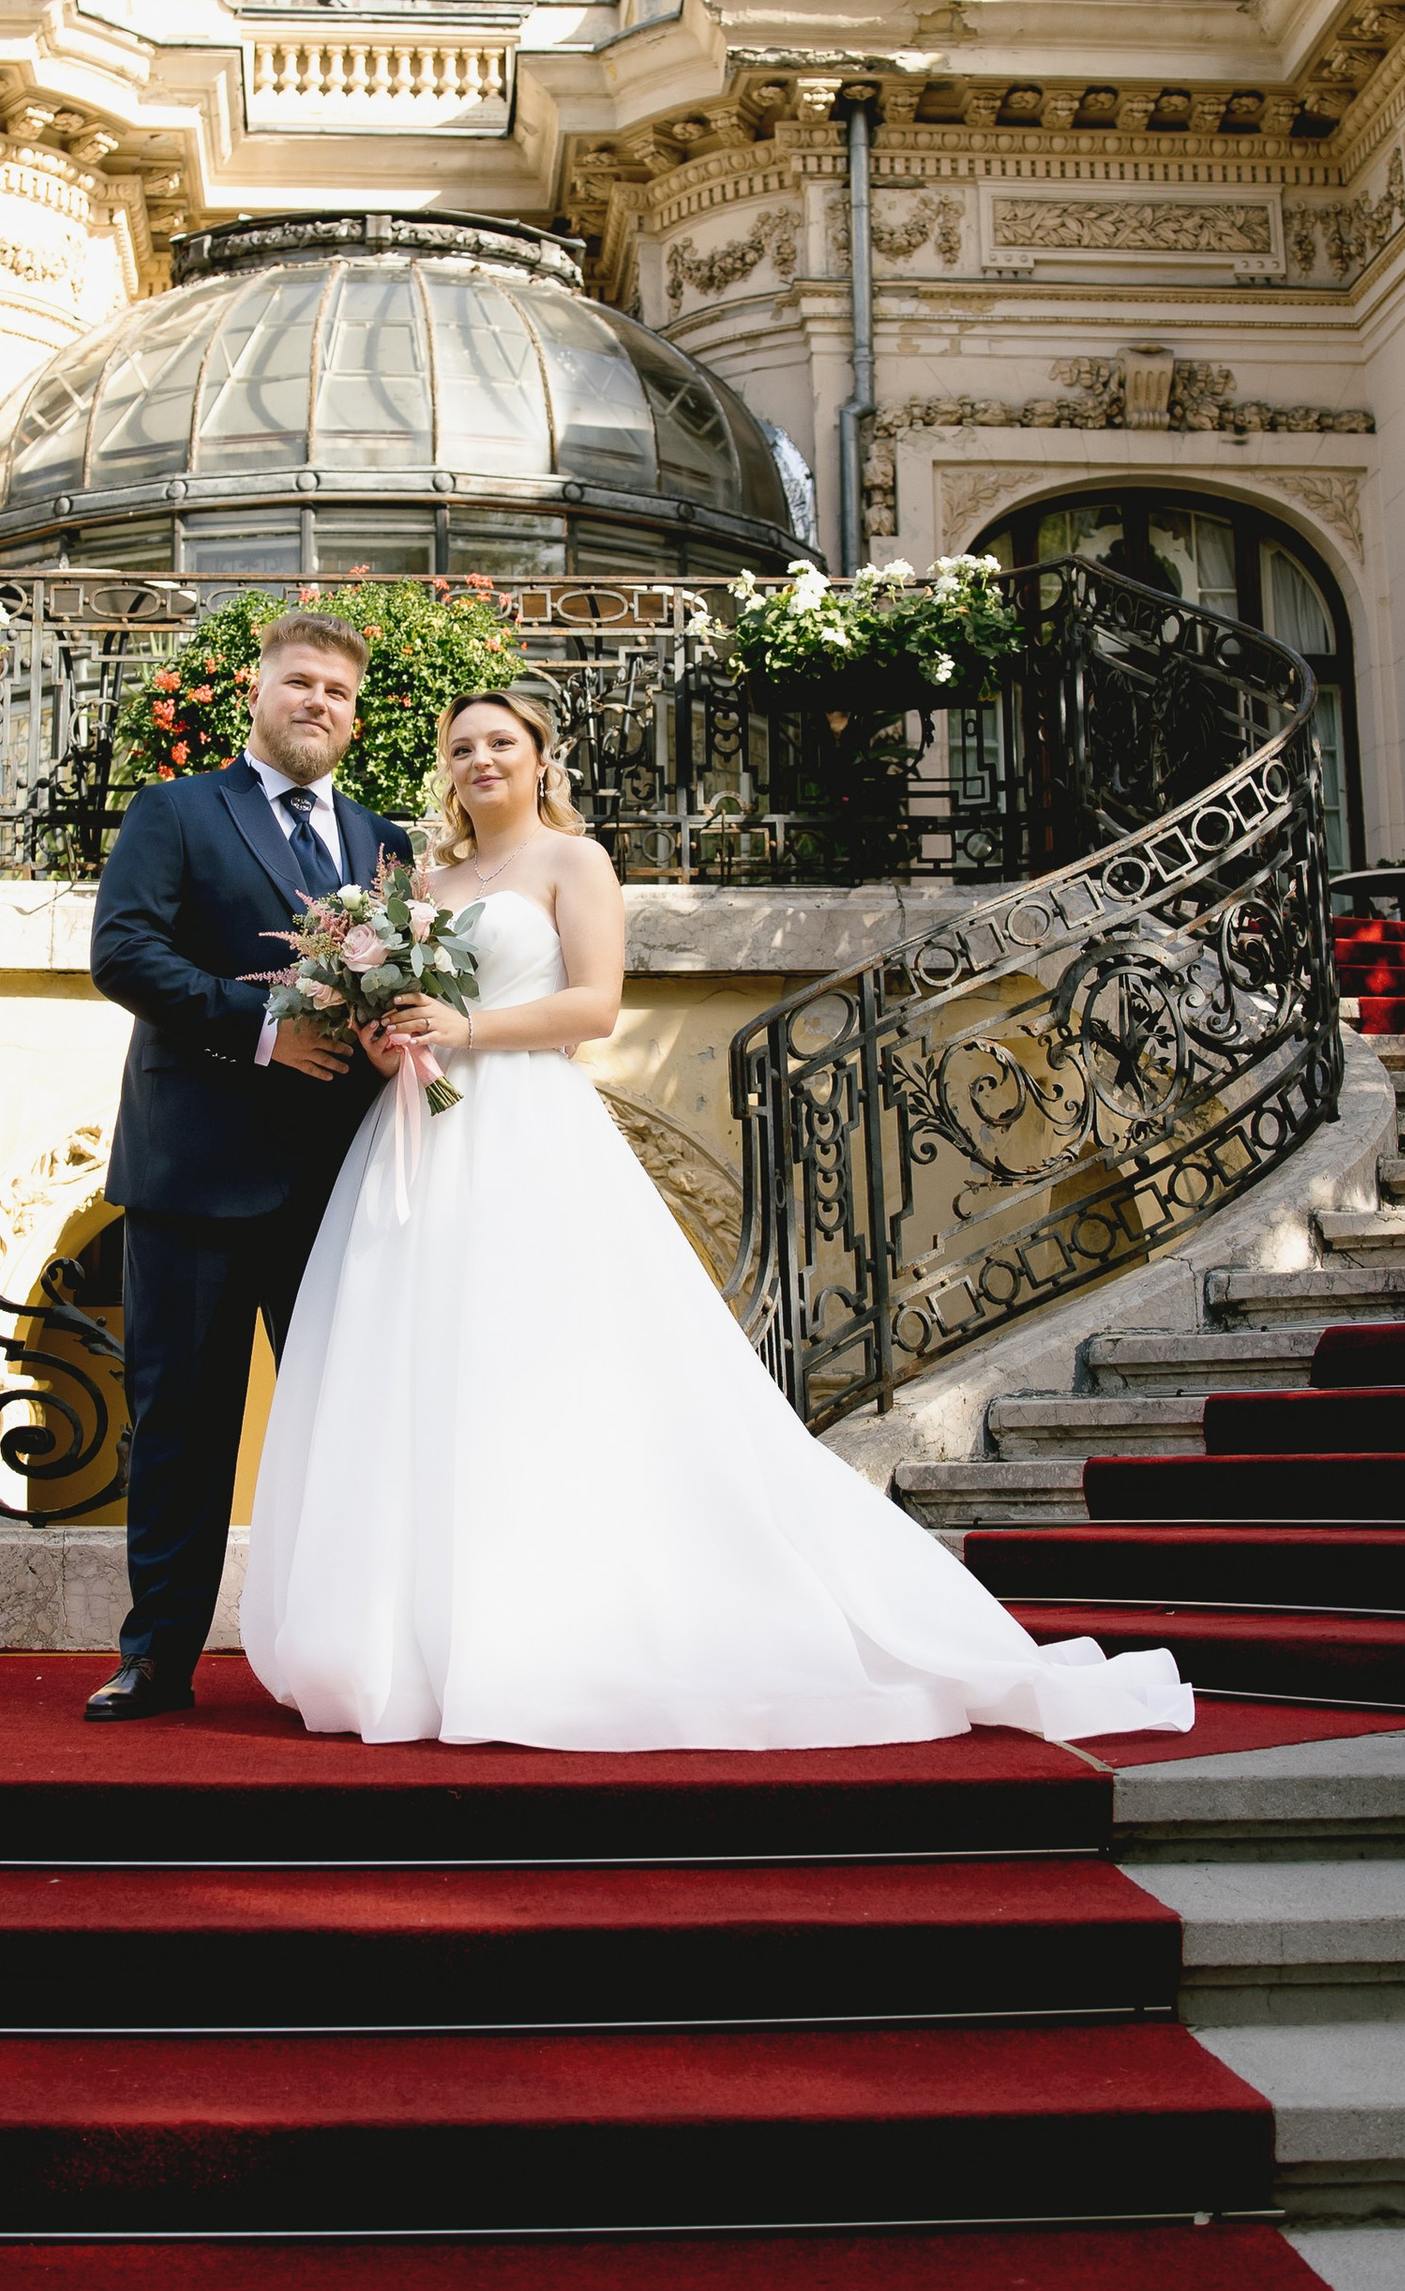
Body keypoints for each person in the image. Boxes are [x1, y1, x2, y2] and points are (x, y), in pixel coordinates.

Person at [241, 685, 1191, 1752]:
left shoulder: (574, 862)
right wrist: (393, 1035)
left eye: (500, 742)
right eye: (461, 746)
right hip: (424, 1131)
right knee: (419, 1368)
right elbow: (401, 1011)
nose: (480, 760)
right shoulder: (420, 881)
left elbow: (595, 1008)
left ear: (539, 756)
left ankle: (558, 1629)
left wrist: (466, 1021)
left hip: (529, 1134)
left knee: (543, 1364)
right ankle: (415, 1635)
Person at [83, 610, 415, 1721]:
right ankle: (155, 1658)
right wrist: (265, 1023)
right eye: (298, 682)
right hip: (193, 1172)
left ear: (354, 716)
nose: (316, 701)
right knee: (180, 1424)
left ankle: (343, 1657)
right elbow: (125, 951)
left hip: (339, 1182)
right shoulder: (178, 810)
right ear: (257, 695)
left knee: (342, 1423)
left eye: (336, 690)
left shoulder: (385, 842)